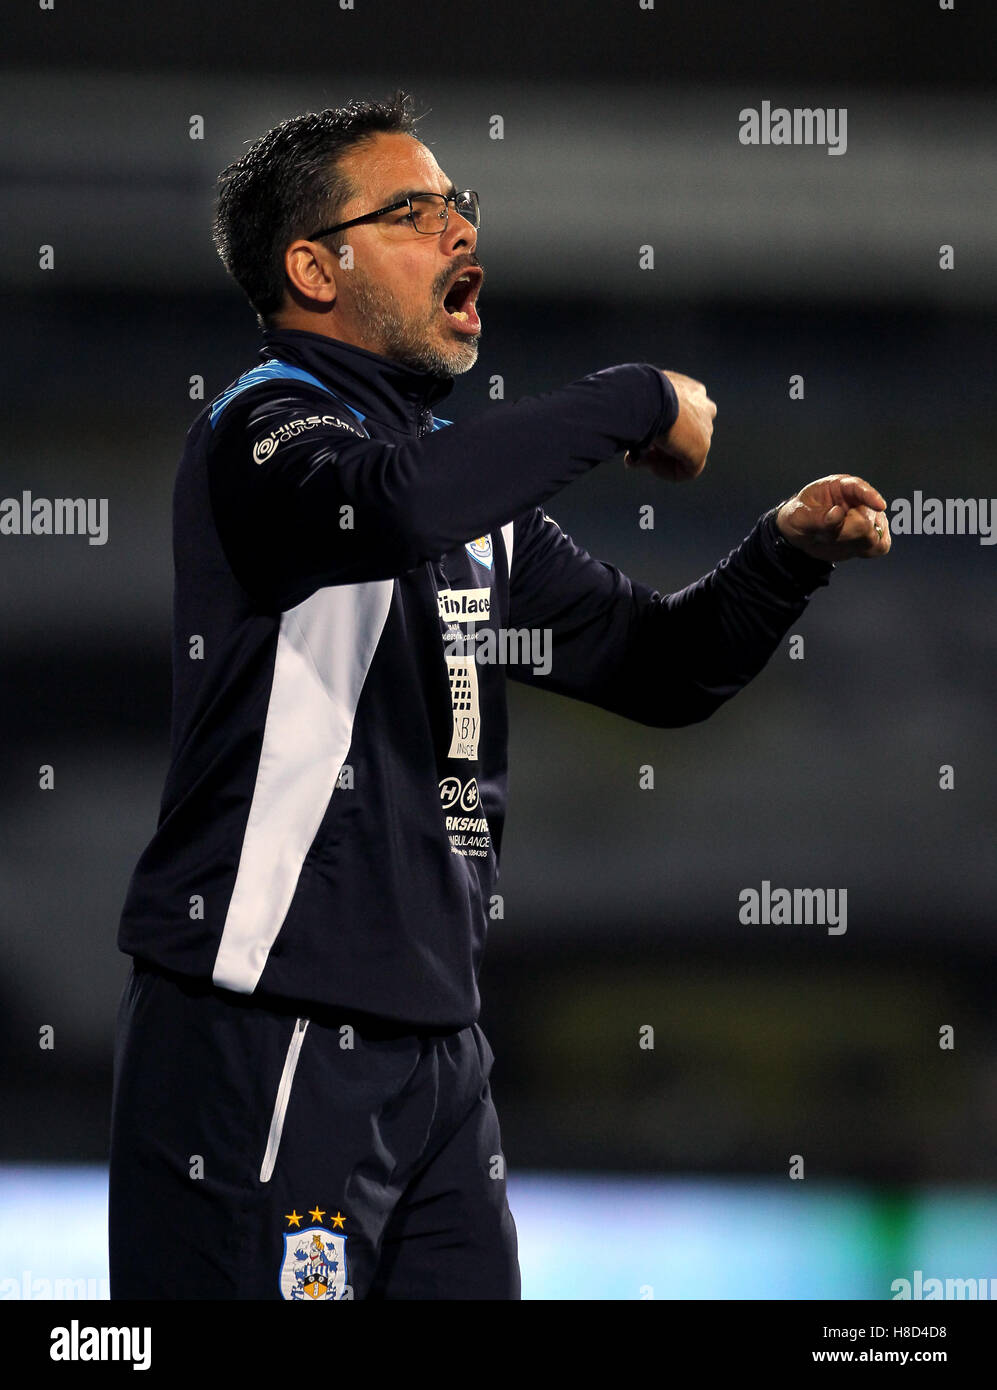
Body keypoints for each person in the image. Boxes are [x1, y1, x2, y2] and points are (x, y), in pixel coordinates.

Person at [107, 92, 891, 1301]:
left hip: (439, 1060)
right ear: (314, 266)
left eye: (458, 203)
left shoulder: (476, 514)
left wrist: (785, 554)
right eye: (412, 210)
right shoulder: (261, 430)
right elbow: (397, 502)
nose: (459, 229)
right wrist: (633, 395)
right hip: (268, 1033)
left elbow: (656, 668)